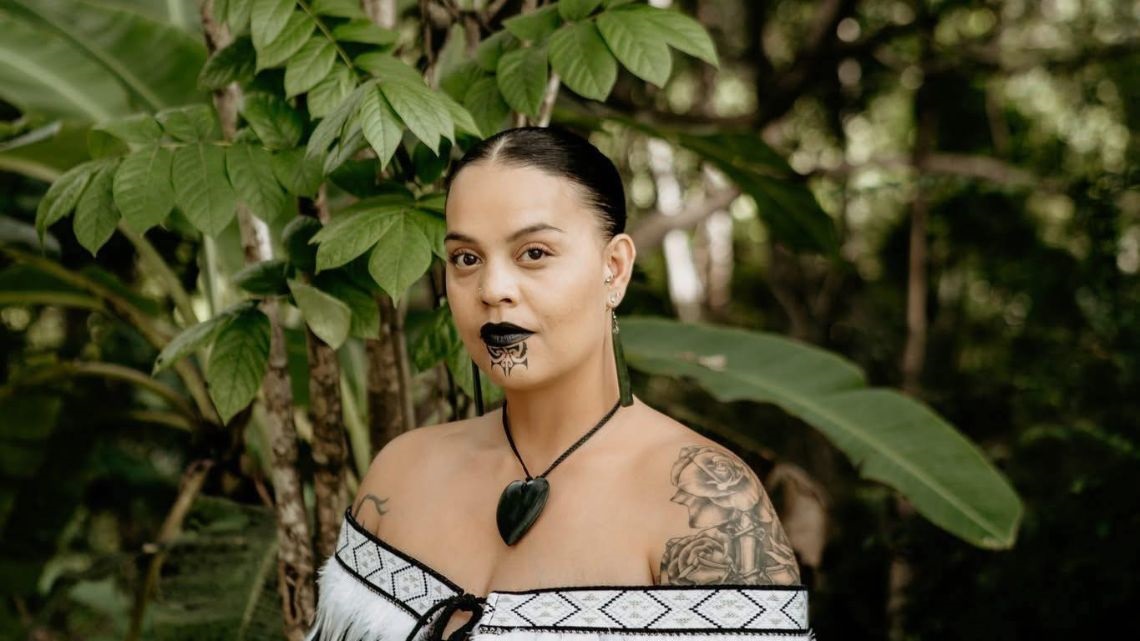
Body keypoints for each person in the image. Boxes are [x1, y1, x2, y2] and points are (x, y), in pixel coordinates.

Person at [305, 126, 814, 641]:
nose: (493, 290)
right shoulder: (401, 473)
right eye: (466, 259)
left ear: (613, 269)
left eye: (534, 254)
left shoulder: (709, 504)